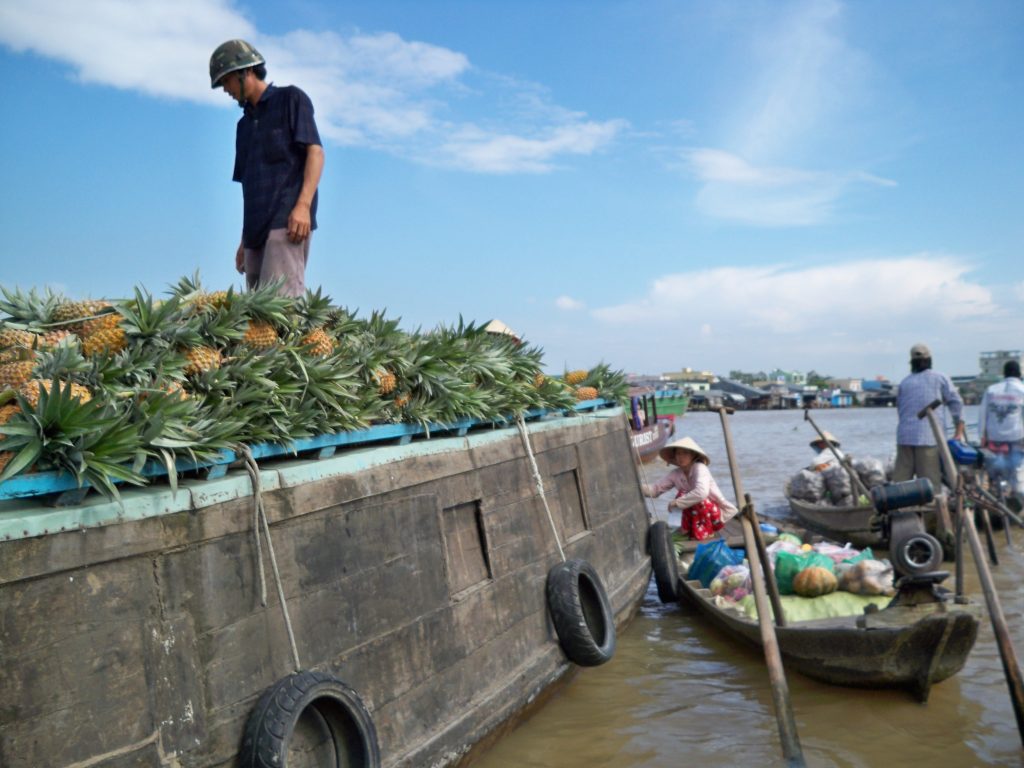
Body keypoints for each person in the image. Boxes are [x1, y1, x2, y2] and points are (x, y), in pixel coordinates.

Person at [209, 39, 325, 297]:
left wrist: (303, 206)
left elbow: (315, 153)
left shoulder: (291, 99)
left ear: (245, 72)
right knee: (256, 319)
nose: (225, 89)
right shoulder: (243, 127)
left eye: (226, 81)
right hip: (255, 231)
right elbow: (248, 188)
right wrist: (243, 240)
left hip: (287, 221)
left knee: (281, 310)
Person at [893, 343, 966, 493]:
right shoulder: (940, 378)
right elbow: (956, 403)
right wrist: (959, 431)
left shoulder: (905, 382)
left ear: (912, 363)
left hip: (904, 437)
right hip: (928, 439)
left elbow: (900, 410)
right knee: (930, 486)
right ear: (930, 360)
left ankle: (899, 513)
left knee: (900, 485)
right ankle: (931, 515)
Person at [640, 437, 738, 540]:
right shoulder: (675, 474)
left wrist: (676, 502)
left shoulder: (700, 468)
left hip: (714, 514)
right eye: (678, 454)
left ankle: (706, 531)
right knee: (682, 495)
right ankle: (689, 530)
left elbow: (701, 492)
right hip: (693, 515)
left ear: (693, 455)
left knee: (693, 499)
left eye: (685, 453)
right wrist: (636, 486)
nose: (681, 457)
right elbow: (655, 490)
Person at [978, 360, 1024, 495]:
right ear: (1019, 374)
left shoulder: (991, 390)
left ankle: (999, 495)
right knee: (1017, 476)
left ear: (1004, 374)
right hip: (1016, 440)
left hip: (994, 440)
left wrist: (982, 437)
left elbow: (982, 415)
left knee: (996, 476)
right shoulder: (1022, 390)